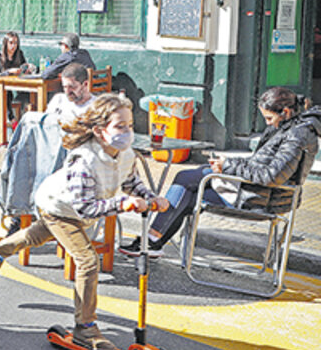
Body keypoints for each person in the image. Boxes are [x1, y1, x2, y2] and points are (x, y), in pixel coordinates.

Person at [0, 94, 166, 350]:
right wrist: (122, 204)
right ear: (100, 131)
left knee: (38, 235)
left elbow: (131, 182)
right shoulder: (84, 160)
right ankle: (85, 328)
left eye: (130, 126)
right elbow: (85, 207)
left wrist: (151, 198)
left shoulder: (126, 154)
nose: (127, 132)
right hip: (58, 206)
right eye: (120, 126)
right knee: (88, 261)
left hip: (74, 210)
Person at [120, 87, 321, 258]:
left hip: (261, 199)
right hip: (258, 192)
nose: (267, 123)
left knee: (186, 187)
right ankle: (153, 241)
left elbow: (272, 176)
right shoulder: (289, 127)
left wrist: (227, 167)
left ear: (285, 111)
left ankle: (152, 241)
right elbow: (260, 163)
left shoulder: (297, 135)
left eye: (269, 118)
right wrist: (227, 163)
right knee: (192, 181)